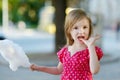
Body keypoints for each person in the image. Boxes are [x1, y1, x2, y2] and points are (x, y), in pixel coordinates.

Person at [30, 9, 103, 80]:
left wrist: (91, 47)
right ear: (69, 31)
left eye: (85, 27)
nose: (81, 31)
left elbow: (94, 71)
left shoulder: (91, 50)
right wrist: (39, 68)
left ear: (89, 29)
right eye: (76, 28)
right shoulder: (65, 51)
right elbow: (58, 70)